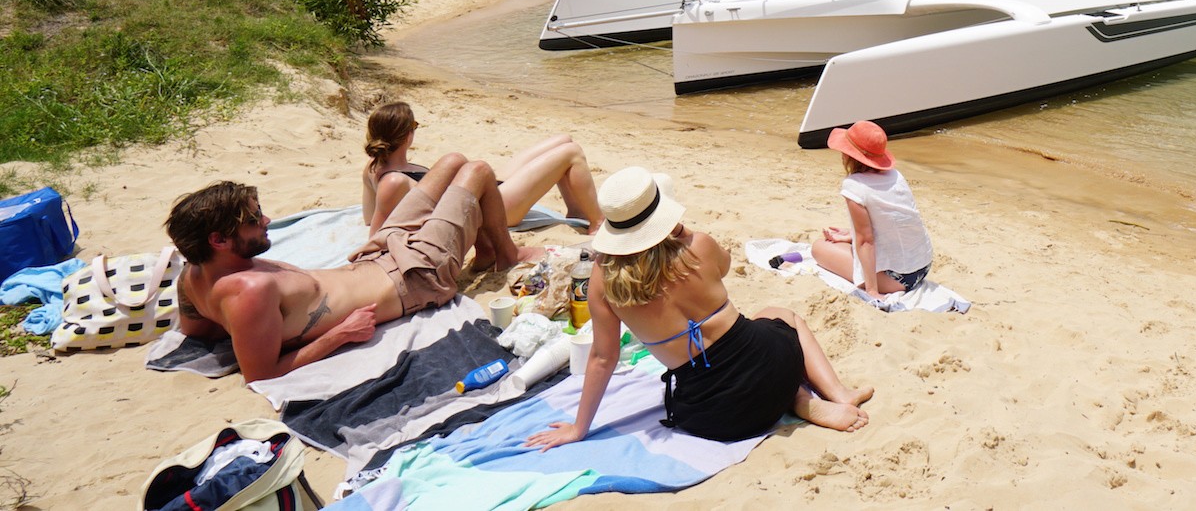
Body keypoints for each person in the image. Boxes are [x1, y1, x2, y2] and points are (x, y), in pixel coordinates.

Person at [526, 168, 871, 449]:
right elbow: (723, 265)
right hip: (774, 372)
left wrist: (578, 428)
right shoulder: (698, 245)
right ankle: (831, 393)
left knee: (743, 356)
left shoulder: (604, 280)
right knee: (780, 315)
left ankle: (797, 398)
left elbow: (603, 358)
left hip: (715, 416)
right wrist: (683, 232)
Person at [167, 157, 535, 383]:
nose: (267, 220)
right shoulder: (248, 292)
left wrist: (246, 329)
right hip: (417, 277)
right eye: (252, 219)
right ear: (218, 240)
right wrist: (340, 333)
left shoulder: (191, 277)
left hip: (374, 256)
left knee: (452, 162)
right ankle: (507, 255)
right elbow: (260, 375)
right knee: (478, 171)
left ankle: (485, 249)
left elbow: (198, 330)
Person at [361, 101, 603, 234]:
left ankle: (576, 211)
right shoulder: (394, 181)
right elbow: (376, 229)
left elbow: (367, 217)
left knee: (564, 140)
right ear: (407, 136)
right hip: (493, 210)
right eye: (414, 125)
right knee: (571, 154)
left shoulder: (373, 169)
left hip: (483, 191)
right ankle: (597, 222)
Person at [808, 120, 933, 295]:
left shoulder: (854, 186)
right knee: (847, 245)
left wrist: (872, 290)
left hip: (898, 279)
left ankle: (876, 284)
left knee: (819, 247)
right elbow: (895, 221)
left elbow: (866, 241)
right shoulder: (896, 176)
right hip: (922, 266)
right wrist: (851, 235)